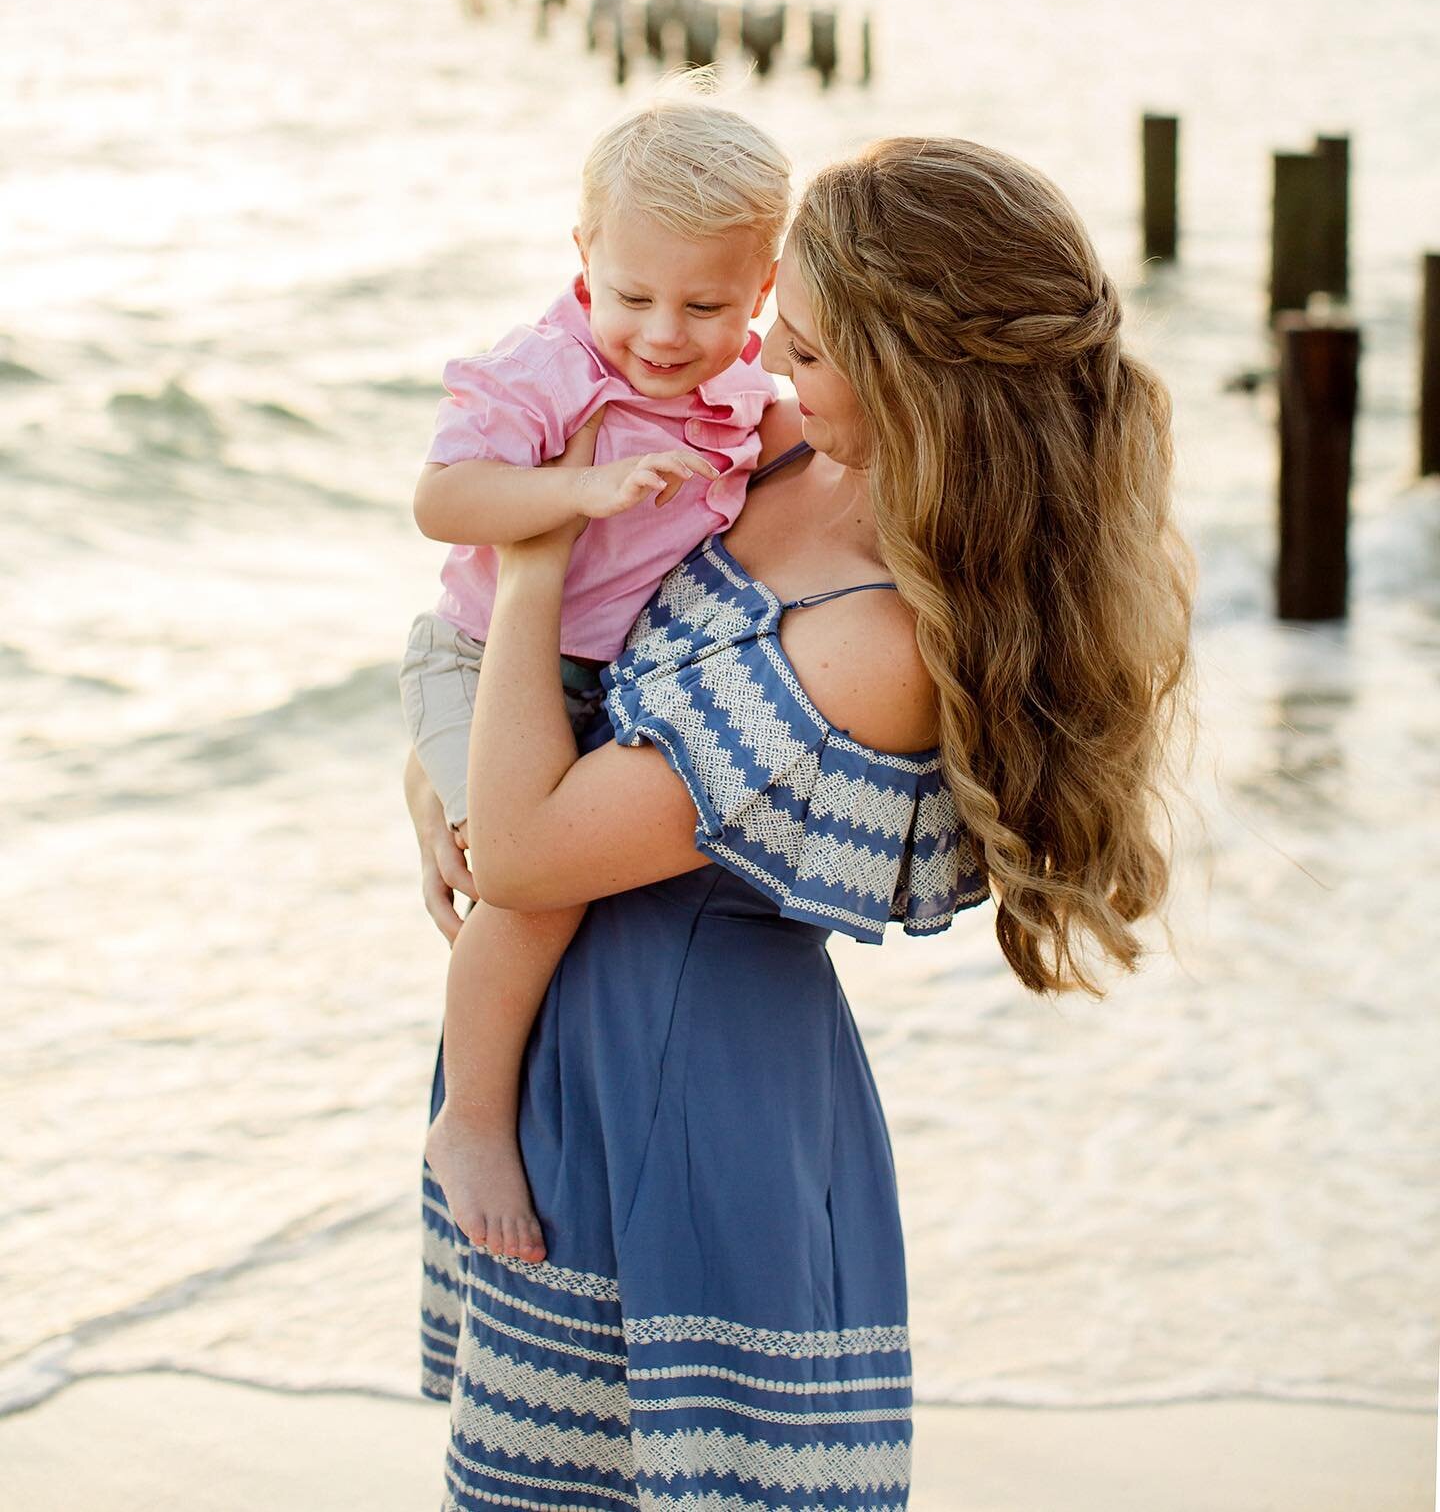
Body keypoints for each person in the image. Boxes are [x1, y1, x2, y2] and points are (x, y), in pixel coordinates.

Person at [405, 136, 1193, 1508]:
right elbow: (556, 696)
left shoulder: (879, 633)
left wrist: (530, 564)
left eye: (811, 344)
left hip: (691, 1091)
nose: (762, 348)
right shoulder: (781, 454)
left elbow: (532, 836)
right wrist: (434, 772)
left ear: (910, 378)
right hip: (565, 1047)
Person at [400, 93, 791, 1265]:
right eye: (632, 295)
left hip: (588, 683)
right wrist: (569, 496)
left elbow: (783, 454)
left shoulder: (740, 392)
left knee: (566, 878)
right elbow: (443, 500)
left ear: (763, 289)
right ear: (585, 258)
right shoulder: (550, 370)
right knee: (535, 886)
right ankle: (468, 1120)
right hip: (478, 657)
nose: (663, 333)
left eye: (705, 304)